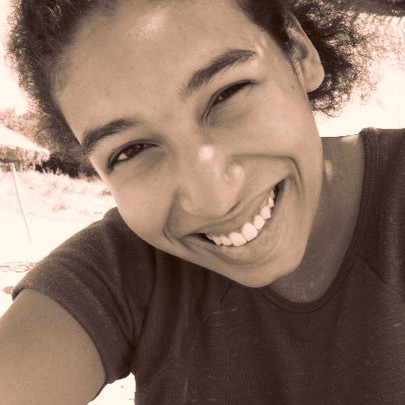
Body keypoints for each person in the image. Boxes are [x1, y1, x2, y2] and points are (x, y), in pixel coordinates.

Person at [1, 0, 404, 404]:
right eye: (131, 150)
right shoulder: (122, 272)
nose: (213, 199)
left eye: (227, 94)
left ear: (298, 53)